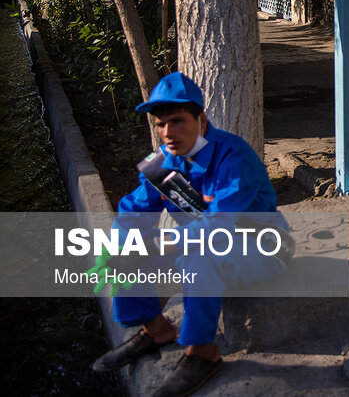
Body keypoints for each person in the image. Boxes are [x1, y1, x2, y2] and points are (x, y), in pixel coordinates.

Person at [91, 72, 286, 396]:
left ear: (201, 118)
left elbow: (218, 227)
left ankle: (204, 353)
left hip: (262, 247)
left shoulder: (233, 157)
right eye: (160, 124)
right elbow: (134, 211)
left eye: (178, 121)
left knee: (197, 254)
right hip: (202, 248)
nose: (168, 133)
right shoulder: (165, 164)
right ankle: (156, 329)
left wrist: (153, 245)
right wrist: (117, 247)